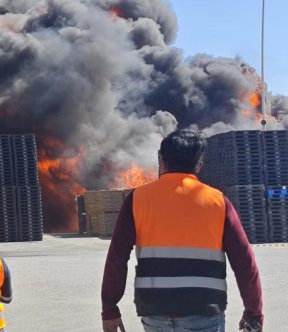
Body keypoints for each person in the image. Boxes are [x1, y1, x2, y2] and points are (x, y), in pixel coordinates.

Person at [101, 130, 264, 332]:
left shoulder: (137, 199)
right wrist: (254, 313)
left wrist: (109, 308)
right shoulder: (218, 202)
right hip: (203, 312)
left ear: (162, 161)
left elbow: (117, 257)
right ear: (199, 164)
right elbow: (245, 264)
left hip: (155, 313)